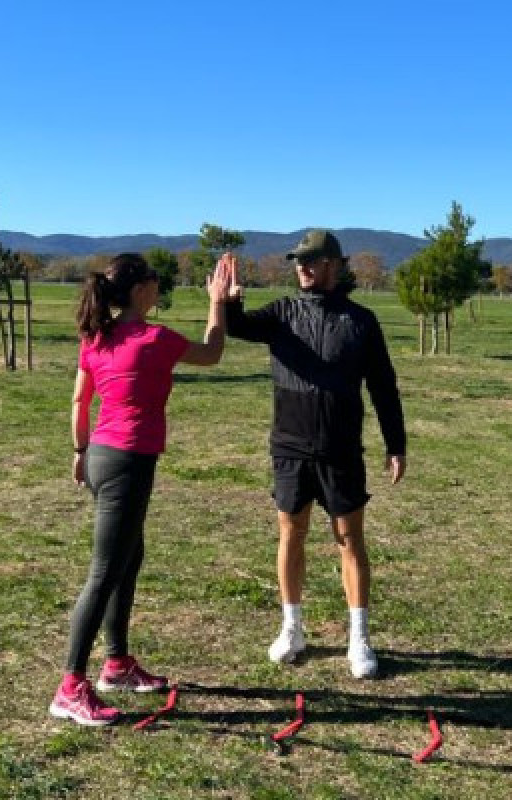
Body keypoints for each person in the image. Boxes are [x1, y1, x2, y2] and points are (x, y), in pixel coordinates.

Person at [50, 252, 233, 726]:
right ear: (138, 291)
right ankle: (70, 687)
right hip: (127, 462)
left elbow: (79, 398)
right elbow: (212, 353)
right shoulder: (155, 338)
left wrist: (78, 452)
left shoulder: (96, 337)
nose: (159, 287)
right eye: (155, 281)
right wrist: (218, 303)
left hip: (101, 458)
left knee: (129, 557)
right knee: (105, 570)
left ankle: (116, 664)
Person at [224, 230, 406, 679]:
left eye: (312, 260)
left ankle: (358, 638)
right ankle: (292, 629)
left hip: (340, 447)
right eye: (298, 261)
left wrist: (395, 443)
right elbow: (238, 327)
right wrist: (228, 302)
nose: (302, 267)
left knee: (350, 540)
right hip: (290, 446)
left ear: (335, 265)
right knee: (291, 533)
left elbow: (383, 387)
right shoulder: (282, 313)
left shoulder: (361, 321)